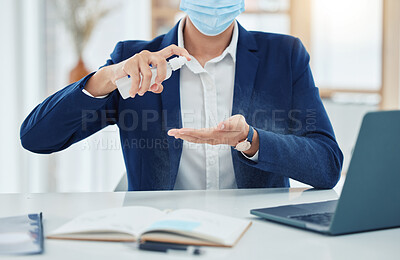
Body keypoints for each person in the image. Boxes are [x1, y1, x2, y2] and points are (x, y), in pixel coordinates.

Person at [20, 0, 343, 191]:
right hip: (161, 239)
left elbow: (328, 165)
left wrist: (251, 140)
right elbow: (36, 138)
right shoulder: (135, 60)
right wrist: (105, 77)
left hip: (256, 238)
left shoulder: (284, 55)